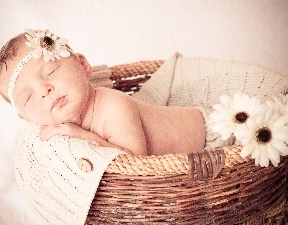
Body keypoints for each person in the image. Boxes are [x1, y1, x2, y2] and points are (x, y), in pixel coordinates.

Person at [0, 29, 206, 156]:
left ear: (83, 65)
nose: (44, 90)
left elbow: (134, 161)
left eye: (50, 71)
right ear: (25, 117)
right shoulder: (49, 137)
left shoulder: (112, 106)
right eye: (27, 98)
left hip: (211, 135)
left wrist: (82, 136)